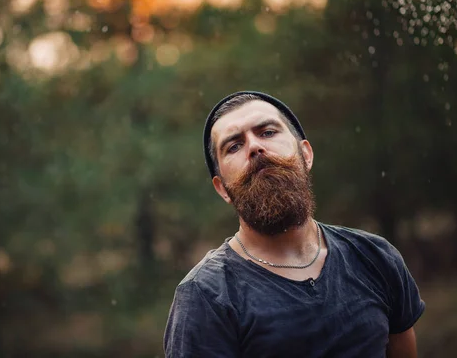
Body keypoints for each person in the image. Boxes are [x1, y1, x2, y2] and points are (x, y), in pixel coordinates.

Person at [163, 91, 425, 358]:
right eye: (234, 146)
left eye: (266, 132)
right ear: (223, 190)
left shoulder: (375, 257)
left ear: (306, 154)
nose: (254, 147)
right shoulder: (206, 296)